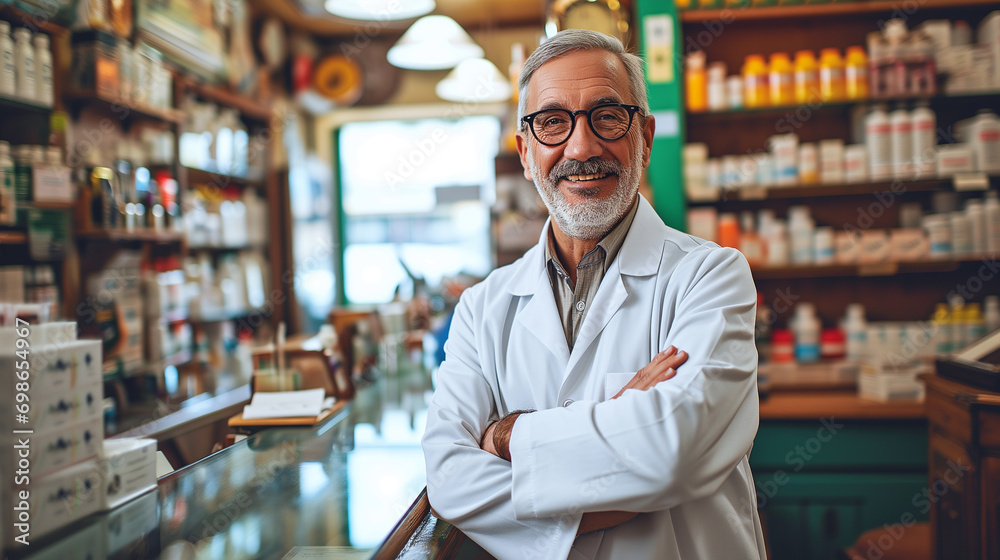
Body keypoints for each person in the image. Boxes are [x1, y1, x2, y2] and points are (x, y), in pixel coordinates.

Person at [421, 29, 766, 560]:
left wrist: (506, 438)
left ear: (645, 138)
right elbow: (448, 481)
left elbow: (669, 451)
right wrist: (623, 450)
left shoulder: (711, 277)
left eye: (607, 116)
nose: (581, 147)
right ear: (525, 151)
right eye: (553, 122)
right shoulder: (483, 307)